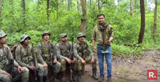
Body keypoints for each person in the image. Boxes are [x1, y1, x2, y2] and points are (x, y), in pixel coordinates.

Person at [92, 13, 114, 82]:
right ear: (97, 19)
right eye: (99, 18)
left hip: (106, 47)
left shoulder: (109, 26)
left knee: (109, 62)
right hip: (99, 46)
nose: (100, 19)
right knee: (100, 62)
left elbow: (112, 36)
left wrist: (109, 40)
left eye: (102, 18)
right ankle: (101, 75)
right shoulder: (95, 28)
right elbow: (93, 38)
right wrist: (94, 47)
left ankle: (109, 77)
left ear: (104, 18)